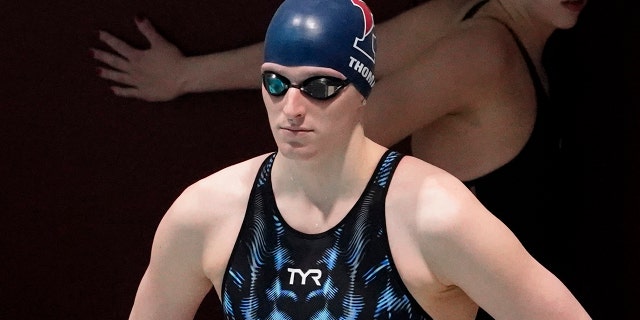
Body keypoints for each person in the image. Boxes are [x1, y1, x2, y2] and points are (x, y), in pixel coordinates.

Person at [126, 0, 591, 319]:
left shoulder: (436, 218)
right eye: (274, 85)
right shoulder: (206, 212)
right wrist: (185, 75)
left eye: (321, 88)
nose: (292, 109)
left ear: (363, 90)